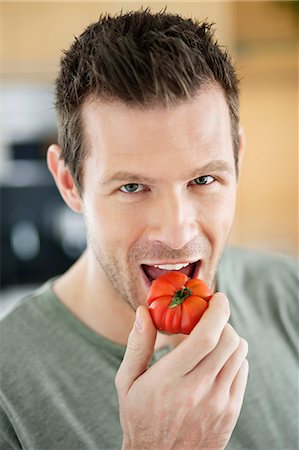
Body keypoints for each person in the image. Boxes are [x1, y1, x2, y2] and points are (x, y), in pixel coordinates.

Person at [0, 9, 297, 450]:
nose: (177, 233)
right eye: (133, 186)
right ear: (69, 183)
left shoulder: (289, 295)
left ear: (238, 159)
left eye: (203, 180)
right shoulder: (9, 393)